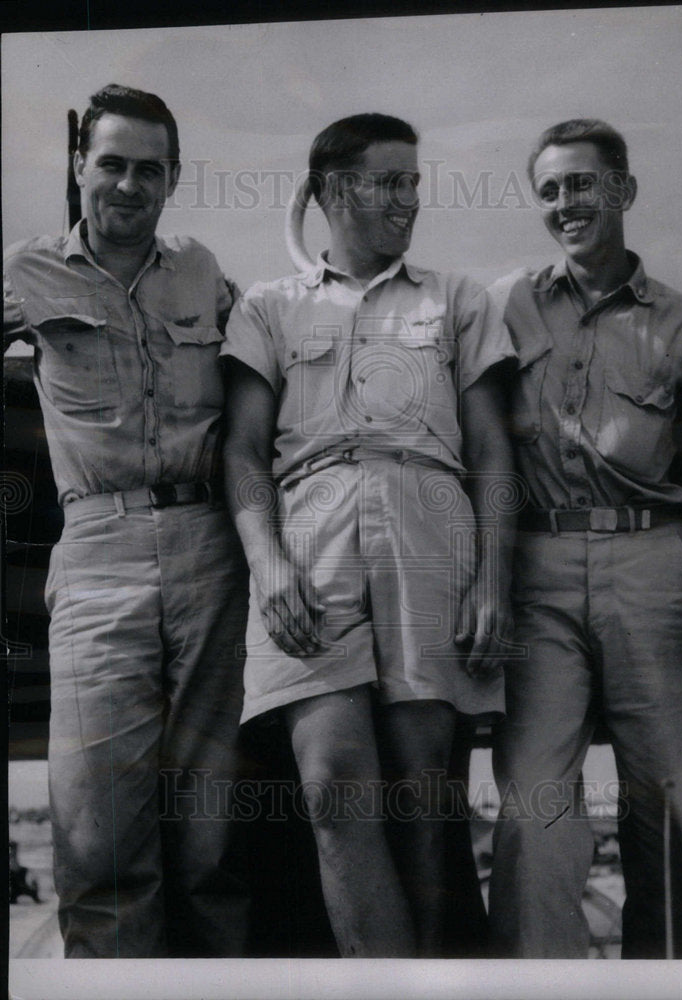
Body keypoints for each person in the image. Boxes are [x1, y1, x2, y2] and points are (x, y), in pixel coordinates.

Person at [222, 113, 516, 957]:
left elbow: (493, 450)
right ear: (331, 191)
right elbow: (241, 451)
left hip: (431, 537)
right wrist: (267, 563)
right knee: (331, 789)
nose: (407, 201)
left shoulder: (456, 301)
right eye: (388, 182)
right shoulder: (268, 307)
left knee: (427, 798)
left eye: (412, 183)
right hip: (308, 544)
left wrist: (494, 577)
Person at [4, 84, 252, 957]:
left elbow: (270, 367)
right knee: (101, 839)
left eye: (150, 170)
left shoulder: (202, 271)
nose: (128, 185)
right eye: (111, 164)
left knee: (212, 841)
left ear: (172, 179)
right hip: (98, 554)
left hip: (213, 555)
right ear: (81, 167)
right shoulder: (24, 271)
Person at [487, 118, 682, 958]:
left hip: (654, 569)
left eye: (582, 184)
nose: (565, 204)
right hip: (537, 571)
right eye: (550, 190)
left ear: (624, 191)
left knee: (664, 809)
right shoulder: (503, 305)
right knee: (532, 806)